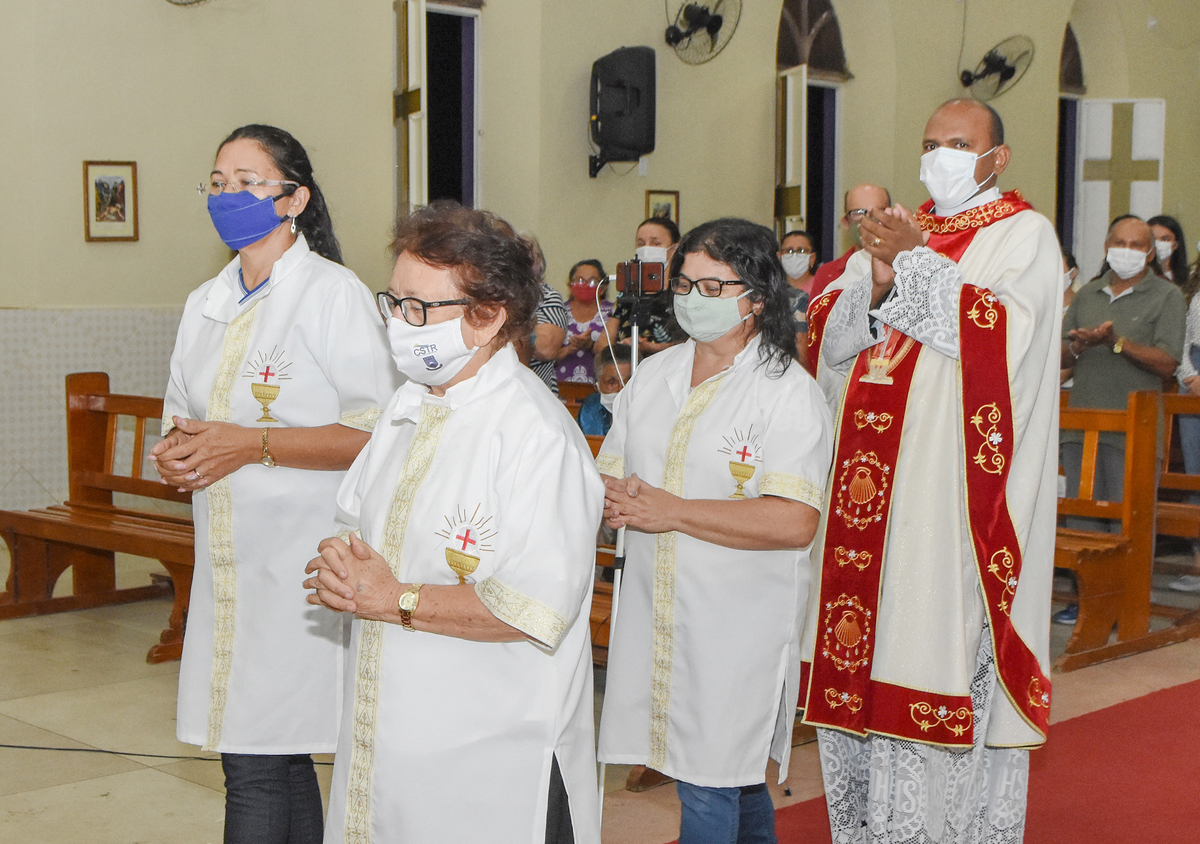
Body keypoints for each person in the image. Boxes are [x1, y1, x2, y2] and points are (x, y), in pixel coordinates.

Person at [801, 99, 1061, 841]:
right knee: (862, 662)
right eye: (930, 143)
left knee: (930, 651)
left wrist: (911, 263)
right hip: (865, 501)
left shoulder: (1024, 235)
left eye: (958, 143)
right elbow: (829, 337)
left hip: (948, 504)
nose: (939, 156)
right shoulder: (897, 230)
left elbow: (1005, 339)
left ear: (997, 157)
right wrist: (880, 282)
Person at [305, 201, 603, 844]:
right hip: (393, 733)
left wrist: (393, 598)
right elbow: (357, 526)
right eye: (393, 302)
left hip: (490, 751)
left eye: (419, 308)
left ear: (488, 316)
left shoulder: (535, 436)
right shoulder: (407, 407)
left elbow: (533, 609)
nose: (399, 323)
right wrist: (341, 568)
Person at [150, 124, 399, 844]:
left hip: (302, 562)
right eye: (217, 182)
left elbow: (376, 432)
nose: (227, 195)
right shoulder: (205, 301)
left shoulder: (331, 294)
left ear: (294, 199)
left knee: (255, 761)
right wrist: (177, 455)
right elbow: (183, 420)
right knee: (274, 754)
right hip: (228, 563)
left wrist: (250, 443)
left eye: (247, 182)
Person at [597, 217, 833, 844]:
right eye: (684, 284)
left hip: (737, 623)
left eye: (712, 287)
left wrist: (673, 511)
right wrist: (611, 500)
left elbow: (796, 519)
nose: (691, 298)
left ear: (756, 297)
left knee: (707, 777)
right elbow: (612, 473)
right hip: (655, 607)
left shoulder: (786, 393)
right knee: (728, 773)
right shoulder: (655, 376)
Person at [1057, 216, 1185, 613]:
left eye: (1136, 245)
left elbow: (1167, 362)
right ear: (1106, 247)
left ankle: (1125, 608)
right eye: (1120, 243)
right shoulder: (1088, 294)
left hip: (1134, 430)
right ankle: (1088, 606)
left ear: (1149, 253)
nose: (1126, 251)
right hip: (1083, 427)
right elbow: (1059, 355)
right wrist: (1079, 346)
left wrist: (1116, 342)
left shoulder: (1166, 296)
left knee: (1128, 523)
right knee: (1083, 522)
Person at [595, 217, 687, 358]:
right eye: (641, 244)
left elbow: (695, 344)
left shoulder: (683, 292)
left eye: (655, 243)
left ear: (674, 249)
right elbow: (601, 344)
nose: (647, 249)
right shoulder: (629, 292)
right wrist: (622, 348)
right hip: (628, 367)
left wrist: (652, 348)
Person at [809, 184, 892, 300]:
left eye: (878, 211)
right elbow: (819, 311)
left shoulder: (906, 266)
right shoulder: (828, 274)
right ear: (845, 223)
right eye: (858, 213)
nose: (868, 220)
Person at [1171, 257, 1200, 592]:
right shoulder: (1193, 290)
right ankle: (1197, 561)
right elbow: (1182, 339)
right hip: (1193, 378)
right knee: (1195, 473)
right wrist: (1190, 376)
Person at [520, 238, 569, 394]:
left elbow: (546, 350)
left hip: (536, 391)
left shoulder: (548, 297)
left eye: (532, 255)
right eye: (521, 254)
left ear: (540, 261)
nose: (526, 260)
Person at [554, 258, 614, 384]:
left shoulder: (614, 313)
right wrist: (569, 349)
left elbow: (618, 354)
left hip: (600, 387)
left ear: (602, 288)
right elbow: (544, 355)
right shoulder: (558, 312)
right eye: (580, 280)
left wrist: (591, 345)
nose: (585, 285)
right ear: (570, 285)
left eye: (592, 281)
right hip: (561, 385)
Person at [577, 343, 631, 436]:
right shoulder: (589, 410)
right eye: (612, 383)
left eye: (628, 382)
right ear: (597, 386)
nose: (621, 389)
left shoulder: (649, 412)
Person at [778, 229, 817, 354]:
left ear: (812, 258)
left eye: (801, 251)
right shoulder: (774, 290)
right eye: (789, 251)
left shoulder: (822, 288)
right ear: (779, 256)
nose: (794, 256)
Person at [1148, 214, 1189, 285]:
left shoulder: (1190, 279)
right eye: (1153, 239)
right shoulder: (1138, 277)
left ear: (1175, 244)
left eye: (1165, 239)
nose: (1158, 243)